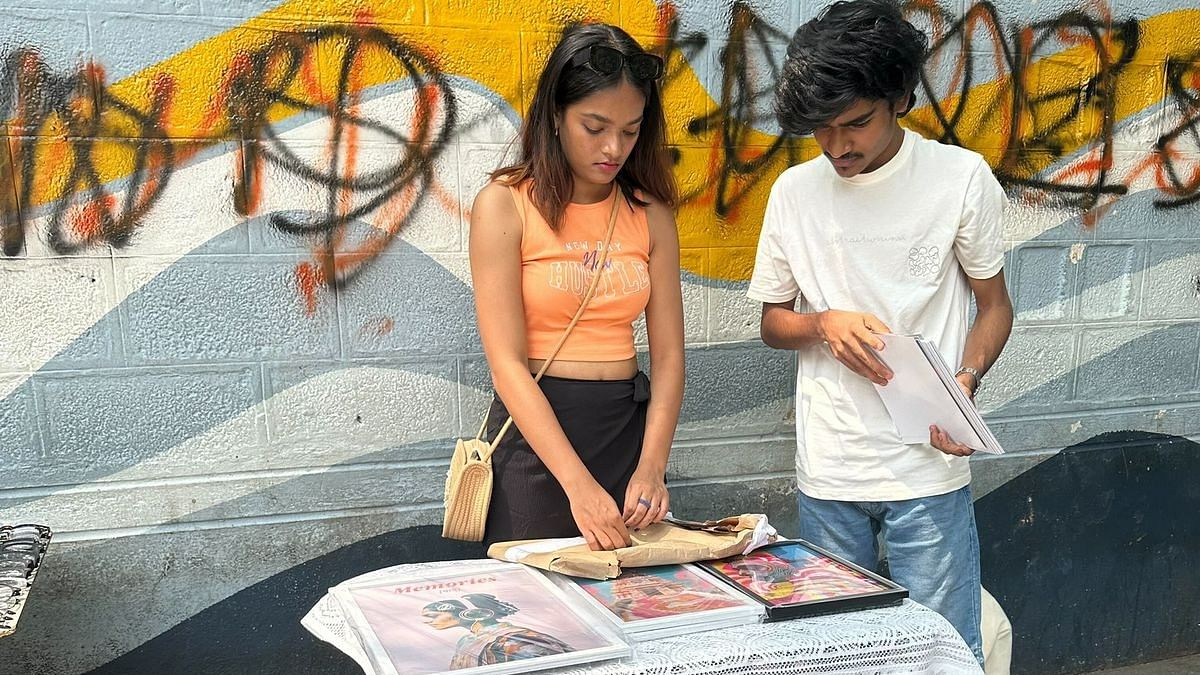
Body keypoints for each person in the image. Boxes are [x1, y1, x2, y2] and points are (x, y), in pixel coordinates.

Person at [747, 0, 1014, 665]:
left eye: (856, 123)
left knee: (943, 652)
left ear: (899, 97)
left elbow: (996, 307)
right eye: (822, 130)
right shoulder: (793, 193)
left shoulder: (959, 180)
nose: (838, 145)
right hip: (830, 469)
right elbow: (773, 322)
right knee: (838, 654)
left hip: (927, 467)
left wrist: (965, 382)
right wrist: (821, 324)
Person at [470, 23, 684, 552]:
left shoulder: (650, 213)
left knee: (632, 607)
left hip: (626, 433)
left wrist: (653, 467)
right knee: (538, 620)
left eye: (631, 131)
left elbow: (671, 358)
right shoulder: (505, 203)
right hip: (538, 440)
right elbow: (506, 365)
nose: (614, 147)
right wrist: (578, 486)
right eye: (595, 126)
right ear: (556, 117)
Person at [421, 594, 571, 668]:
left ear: (470, 613)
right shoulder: (466, 642)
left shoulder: (516, 639)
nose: (428, 621)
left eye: (434, 616)